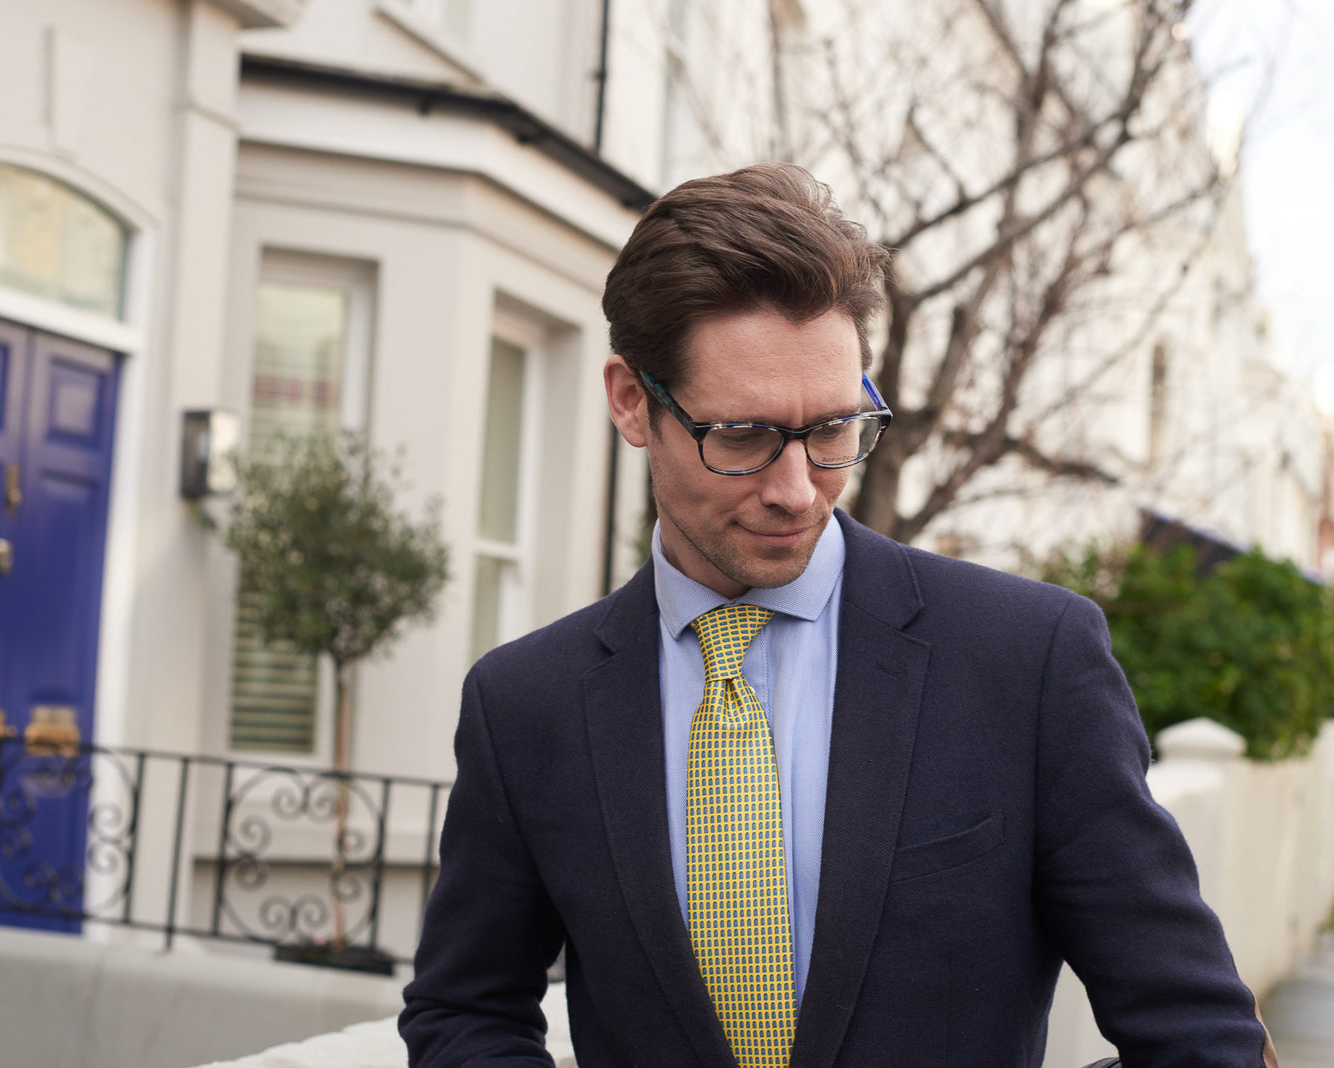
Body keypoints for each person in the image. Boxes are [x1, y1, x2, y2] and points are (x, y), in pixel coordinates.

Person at [399, 163, 1278, 1067]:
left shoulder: (1028, 661)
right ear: (632, 401)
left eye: (832, 429)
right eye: (739, 436)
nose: (795, 490)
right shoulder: (523, 706)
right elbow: (464, 1011)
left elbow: (1197, 1031)